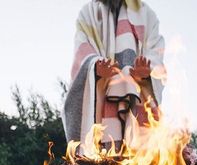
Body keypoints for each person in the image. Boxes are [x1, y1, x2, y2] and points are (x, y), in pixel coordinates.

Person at [62, 0, 166, 153]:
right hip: (101, 97)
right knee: (100, 161)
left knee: (140, 160)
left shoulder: (146, 14)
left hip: (136, 98)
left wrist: (147, 71)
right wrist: (95, 66)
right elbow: (81, 50)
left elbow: (155, 51)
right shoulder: (88, 13)